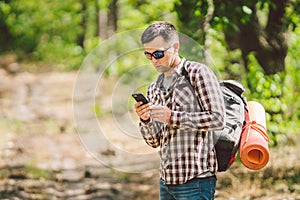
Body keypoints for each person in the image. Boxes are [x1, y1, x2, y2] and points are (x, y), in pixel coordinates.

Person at [134, 21, 225, 200]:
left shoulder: (198, 73)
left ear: (175, 47)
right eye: (148, 54)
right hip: (166, 181)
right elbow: (155, 141)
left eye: (158, 54)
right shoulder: (154, 88)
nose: (153, 60)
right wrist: (145, 120)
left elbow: (217, 118)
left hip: (196, 180)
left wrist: (172, 117)